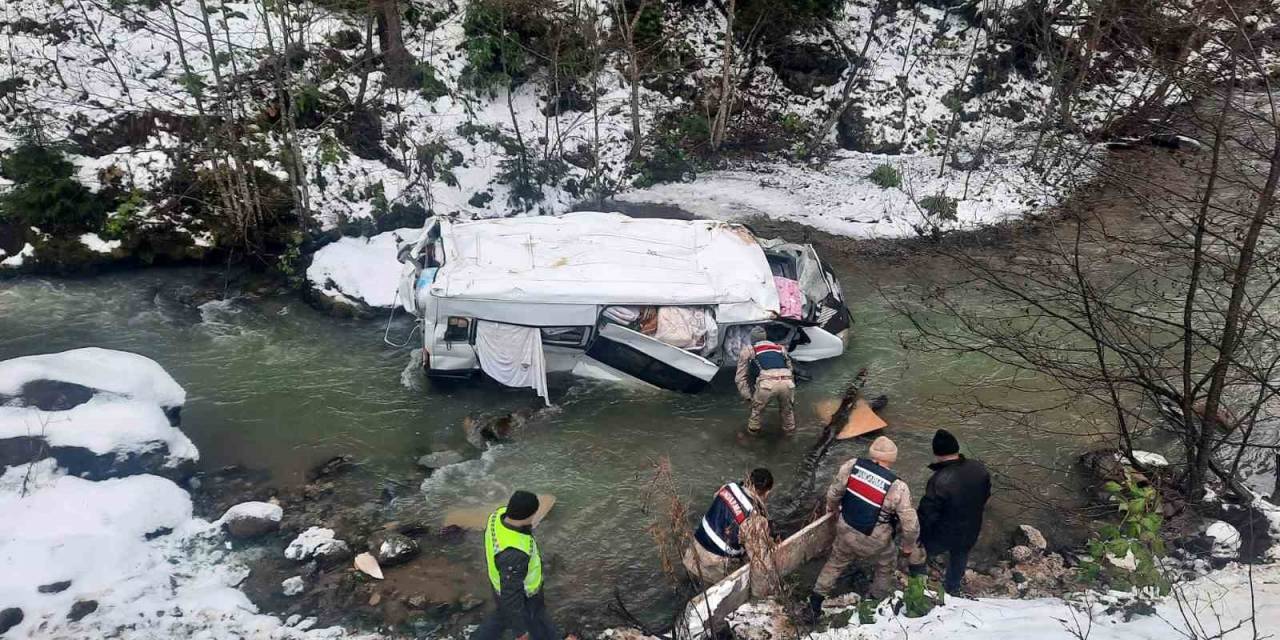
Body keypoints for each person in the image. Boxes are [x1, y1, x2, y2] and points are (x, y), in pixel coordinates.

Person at [808, 436, 920, 617]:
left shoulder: (852, 465)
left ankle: (814, 604)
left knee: (835, 562)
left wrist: (834, 509)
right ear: (892, 458)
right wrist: (907, 547)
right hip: (875, 540)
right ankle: (874, 603)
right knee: (886, 566)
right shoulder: (898, 487)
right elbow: (910, 525)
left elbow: (833, 493)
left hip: (846, 528)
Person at [474, 491, 561, 640]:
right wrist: (520, 632)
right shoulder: (514, 554)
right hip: (525, 594)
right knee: (535, 618)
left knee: (502, 615)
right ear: (530, 515)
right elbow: (511, 595)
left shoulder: (497, 516)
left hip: (498, 584)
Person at [917, 429, 991, 595]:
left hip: (944, 533)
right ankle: (952, 588)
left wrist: (918, 535)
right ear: (957, 449)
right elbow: (986, 495)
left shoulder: (939, 480)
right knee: (960, 555)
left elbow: (927, 513)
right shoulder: (978, 468)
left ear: (936, 453)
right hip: (971, 528)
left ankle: (919, 584)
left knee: (922, 553)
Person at [682, 468, 777, 594]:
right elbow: (760, 563)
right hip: (712, 570)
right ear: (767, 492)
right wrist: (761, 595)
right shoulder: (754, 518)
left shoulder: (728, 487)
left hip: (692, 555)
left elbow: (718, 501)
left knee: (686, 590)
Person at [735, 326, 796, 434]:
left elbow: (740, 378)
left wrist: (748, 397)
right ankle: (789, 436)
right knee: (788, 414)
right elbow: (790, 369)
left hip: (767, 385)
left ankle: (753, 440)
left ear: (752, 339)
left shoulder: (748, 350)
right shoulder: (780, 348)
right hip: (787, 383)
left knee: (756, 414)